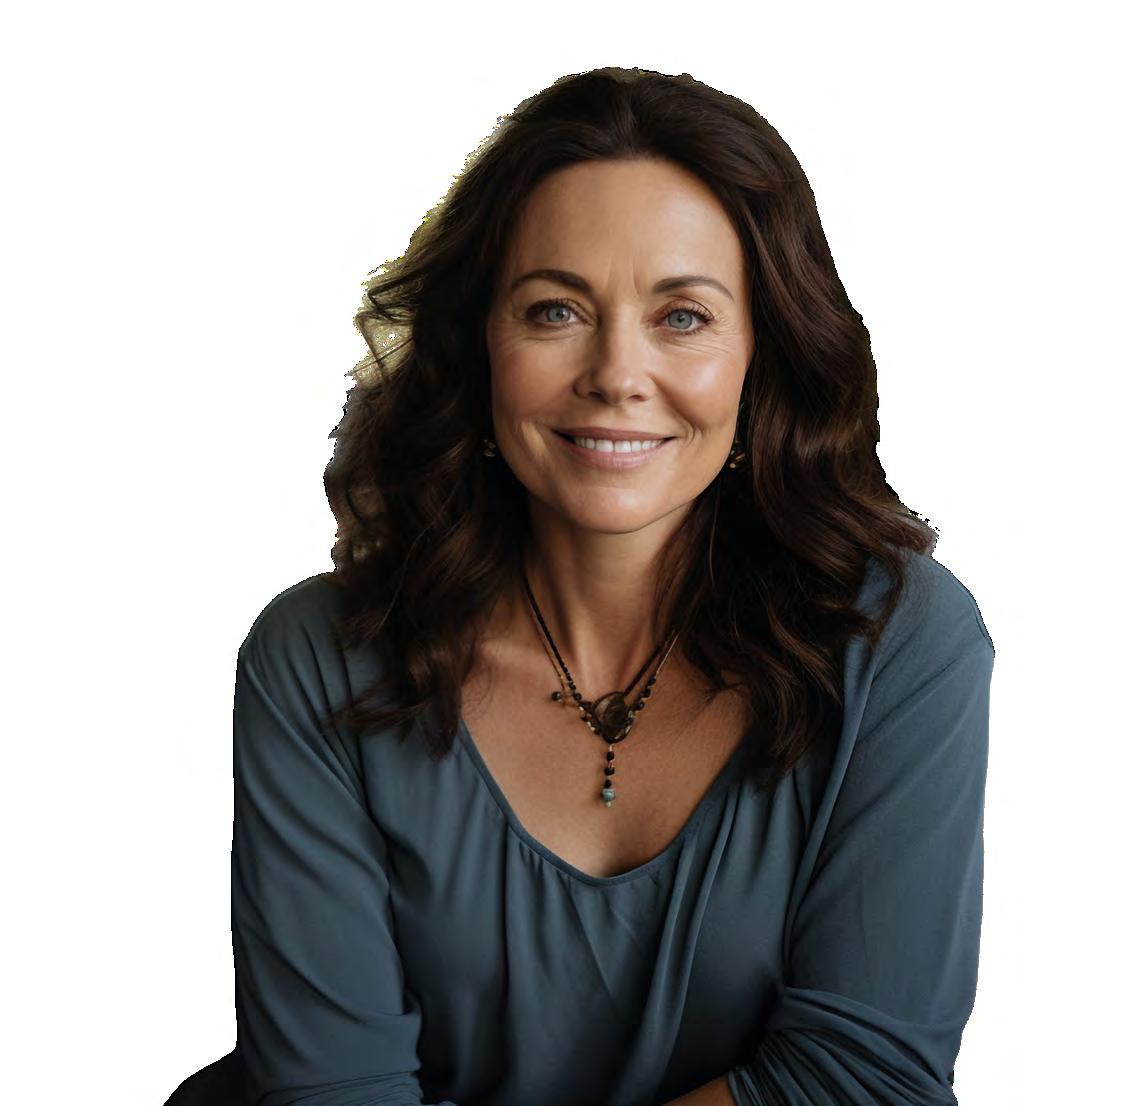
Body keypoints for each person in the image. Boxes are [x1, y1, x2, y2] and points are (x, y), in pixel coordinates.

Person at [166, 66, 995, 1106]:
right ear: (478, 345)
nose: (615, 373)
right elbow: (333, 1095)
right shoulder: (318, 657)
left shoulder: (897, 640)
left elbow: (860, 1081)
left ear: (762, 354)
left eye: (681, 316)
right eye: (555, 309)